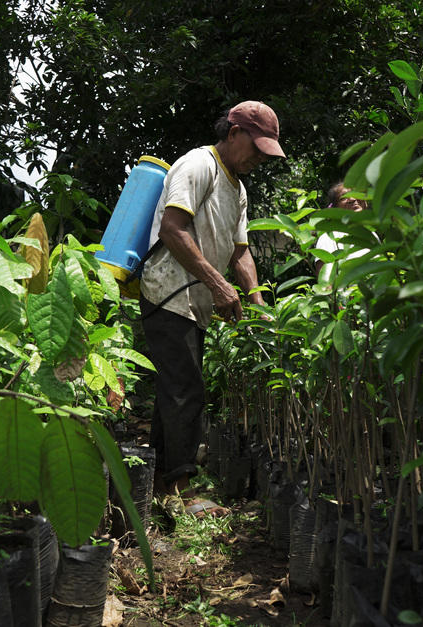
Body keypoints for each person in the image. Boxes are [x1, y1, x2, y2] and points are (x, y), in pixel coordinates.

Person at [139, 100, 285, 505]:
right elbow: (172, 229)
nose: (259, 158)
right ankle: (182, 490)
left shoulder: (236, 188)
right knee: (187, 391)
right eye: (256, 147)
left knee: (175, 391)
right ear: (234, 132)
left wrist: (256, 300)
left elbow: (241, 251)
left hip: (193, 302)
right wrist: (220, 285)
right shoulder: (197, 165)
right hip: (168, 293)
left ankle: (157, 483)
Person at [314, 181, 367, 271]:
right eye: (344, 197)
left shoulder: (370, 234)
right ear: (335, 209)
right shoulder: (329, 238)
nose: (352, 199)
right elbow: (326, 282)